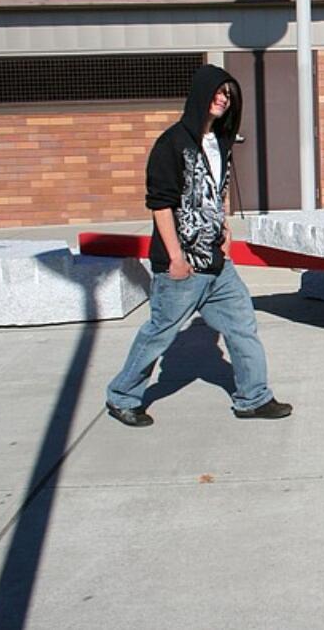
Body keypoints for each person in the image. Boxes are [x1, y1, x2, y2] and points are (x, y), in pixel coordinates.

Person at [105, 64, 291, 427]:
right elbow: (160, 203)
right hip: (181, 267)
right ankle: (122, 397)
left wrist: (226, 228)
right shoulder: (171, 143)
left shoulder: (220, 142)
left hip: (217, 263)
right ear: (200, 95)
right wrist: (175, 257)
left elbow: (218, 190)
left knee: (242, 325)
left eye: (228, 95)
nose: (222, 99)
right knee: (159, 334)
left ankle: (253, 398)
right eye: (217, 93)